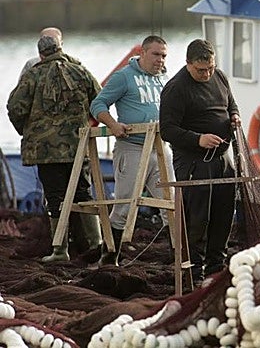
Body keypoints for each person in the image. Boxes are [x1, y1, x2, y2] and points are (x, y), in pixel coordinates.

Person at [7, 35, 103, 262]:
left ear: (41, 54)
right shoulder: (80, 71)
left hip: (45, 150)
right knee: (83, 193)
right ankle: (96, 244)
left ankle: (60, 250)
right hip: (78, 146)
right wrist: (85, 122)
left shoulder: (32, 75)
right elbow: (100, 100)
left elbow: (15, 108)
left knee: (54, 196)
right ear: (60, 48)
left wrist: (27, 130)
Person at [160, 39, 241, 287]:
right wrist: (198, 139)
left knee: (224, 211)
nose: (206, 74)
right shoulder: (176, 88)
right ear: (188, 64)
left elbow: (230, 104)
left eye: (210, 69)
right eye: (200, 70)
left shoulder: (220, 77)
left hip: (222, 157)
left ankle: (216, 267)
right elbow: (167, 130)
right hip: (193, 161)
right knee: (198, 218)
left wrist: (235, 116)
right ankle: (194, 270)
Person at [90, 35, 173, 266]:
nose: (160, 60)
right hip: (133, 148)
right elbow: (97, 104)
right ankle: (110, 257)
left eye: (164, 55)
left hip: (160, 148)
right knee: (125, 206)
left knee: (172, 204)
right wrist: (113, 125)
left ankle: (179, 256)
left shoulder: (164, 78)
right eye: (156, 54)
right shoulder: (124, 76)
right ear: (143, 53)